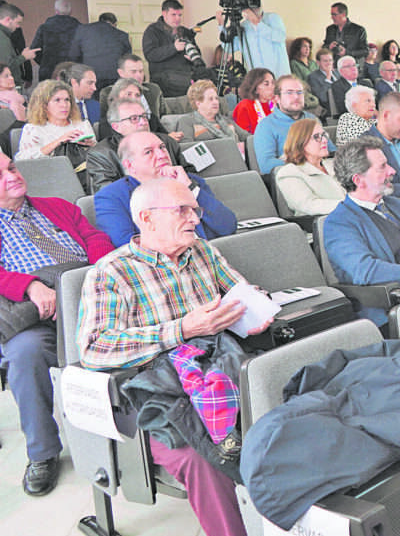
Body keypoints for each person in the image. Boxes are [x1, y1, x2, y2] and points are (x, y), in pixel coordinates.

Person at [78, 177, 271, 536]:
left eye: (194, 209)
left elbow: (240, 293)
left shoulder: (201, 250)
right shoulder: (110, 272)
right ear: (146, 219)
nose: (195, 219)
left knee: (279, 412)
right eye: (182, 210)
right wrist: (182, 329)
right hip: (159, 391)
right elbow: (93, 348)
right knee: (204, 459)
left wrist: (253, 313)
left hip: (217, 370)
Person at [0, 152, 114, 496]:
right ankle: (43, 453)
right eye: (0, 175)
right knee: (24, 354)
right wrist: (29, 285)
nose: (12, 177)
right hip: (31, 314)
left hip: (84, 297)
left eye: (12, 167)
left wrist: (90, 276)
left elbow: (95, 238)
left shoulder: (57, 206)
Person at [323, 135, 400, 326]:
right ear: (359, 180)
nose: (392, 171)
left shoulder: (395, 204)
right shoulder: (339, 223)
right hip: (393, 309)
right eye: (382, 167)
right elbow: (366, 271)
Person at [94, 131, 236, 246]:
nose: (162, 155)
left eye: (162, 147)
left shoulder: (191, 181)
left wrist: (190, 188)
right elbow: (127, 245)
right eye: (149, 152)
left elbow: (228, 226)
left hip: (210, 260)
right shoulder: (111, 196)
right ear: (129, 165)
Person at [86, 99, 190, 193]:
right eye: (134, 118)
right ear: (116, 126)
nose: (143, 122)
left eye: (144, 116)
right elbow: (108, 192)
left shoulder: (166, 141)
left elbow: (189, 173)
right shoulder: (101, 153)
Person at [253, 75, 334, 174]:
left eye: (299, 92)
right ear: (277, 98)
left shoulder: (312, 119)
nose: (296, 97)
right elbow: (266, 165)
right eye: (289, 93)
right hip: (292, 178)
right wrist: (305, 163)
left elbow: (331, 151)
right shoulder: (266, 126)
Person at [15, 80, 95, 170]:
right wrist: (58, 142)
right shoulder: (33, 129)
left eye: (67, 100)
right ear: (44, 105)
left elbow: (98, 157)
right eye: (57, 100)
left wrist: (92, 146)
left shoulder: (82, 125)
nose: (64, 105)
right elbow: (22, 160)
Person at [275, 118, 346, 216]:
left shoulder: (332, 165)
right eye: (317, 137)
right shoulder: (289, 173)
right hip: (321, 226)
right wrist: (349, 207)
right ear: (301, 142)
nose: (325, 140)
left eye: (324, 135)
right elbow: (308, 205)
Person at [143, 0, 202, 97]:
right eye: (173, 15)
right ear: (164, 14)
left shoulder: (184, 31)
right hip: (164, 86)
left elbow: (196, 52)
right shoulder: (152, 31)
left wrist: (192, 58)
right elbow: (150, 55)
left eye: (180, 15)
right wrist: (173, 48)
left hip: (187, 82)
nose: (177, 18)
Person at [218, 0, 289, 79]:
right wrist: (221, 25)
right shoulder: (244, 26)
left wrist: (256, 22)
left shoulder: (273, 18)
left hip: (279, 76)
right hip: (258, 79)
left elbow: (280, 37)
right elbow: (229, 48)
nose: (254, 8)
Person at [177, 79, 249, 144]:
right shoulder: (187, 121)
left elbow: (248, 138)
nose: (216, 102)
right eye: (210, 99)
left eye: (216, 98)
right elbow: (187, 148)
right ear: (198, 103)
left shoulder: (226, 120)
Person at [30, 0, 79, 81]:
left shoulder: (44, 28)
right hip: (73, 71)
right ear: (71, 12)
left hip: (48, 71)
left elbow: (35, 49)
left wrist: (44, 63)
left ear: (56, 11)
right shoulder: (80, 28)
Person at [0, 3, 39, 86]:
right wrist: (24, 57)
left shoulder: (4, 35)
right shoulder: (2, 38)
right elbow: (5, 67)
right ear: (7, 19)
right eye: (17, 22)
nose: (18, 26)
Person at [231, 68, 275, 134]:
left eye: (273, 83)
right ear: (255, 88)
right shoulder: (245, 106)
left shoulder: (277, 104)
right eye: (266, 84)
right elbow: (243, 137)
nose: (272, 87)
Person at [307, 49, 350, 117]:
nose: (328, 63)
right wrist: (328, 78)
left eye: (330, 60)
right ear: (318, 62)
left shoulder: (338, 72)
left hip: (346, 107)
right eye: (325, 61)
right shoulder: (313, 77)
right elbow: (323, 98)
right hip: (330, 112)